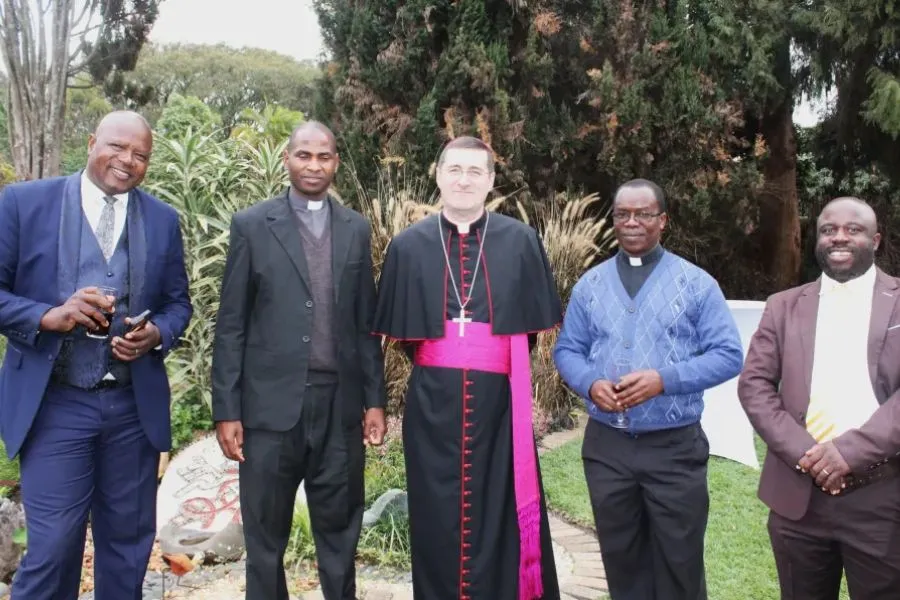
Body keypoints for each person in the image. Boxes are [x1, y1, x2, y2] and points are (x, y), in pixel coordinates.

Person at [0, 111, 193, 599]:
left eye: (141, 155)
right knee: (51, 548)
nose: (128, 161)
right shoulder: (24, 204)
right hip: (56, 403)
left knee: (128, 551)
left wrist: (157, 335)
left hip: (132, 409)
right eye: (118, 147)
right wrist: (50, 316)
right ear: (90, 142)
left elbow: (178, 305)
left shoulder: (164, 220)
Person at [373, 136, 563, 599]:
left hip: (500, 411)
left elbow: (530, 332)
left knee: (498, 512)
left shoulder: (520, 242)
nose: (463, 180)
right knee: (436, 516)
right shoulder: (408, 246)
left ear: (491, 182)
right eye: (454, 170)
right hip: (432, 407)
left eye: (475, 172)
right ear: (437, 176)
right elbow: (401, 338)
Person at [211, 121, 386, 600]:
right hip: (270, 410)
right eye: (304, 156)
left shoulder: (355, 228)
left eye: (324, 157)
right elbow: (231, 324)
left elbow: (365, 323)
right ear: (287, 159)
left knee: (339, 533)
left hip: (339, 408)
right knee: (265, 539)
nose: (314, 165)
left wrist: (374, 400)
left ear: (336, 163)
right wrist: (227, 409)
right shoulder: (252, 225)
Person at [553, 178, 743, 600]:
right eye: (623, 214)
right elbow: (568, 349)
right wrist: (589, 382)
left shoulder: (696, 284)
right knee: (623, 562)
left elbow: (728, 354)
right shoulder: (591, 286)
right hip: (607, 448)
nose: (632, 222)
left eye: (643, 214)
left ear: (663, 220)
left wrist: (664, 380)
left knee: (680, 562)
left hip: (673, 449)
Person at [738, 197, 900, 598]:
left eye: (853, 229)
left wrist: (849, 452)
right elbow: (754, 386)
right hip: (798, 499)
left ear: (875, 240)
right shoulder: (783, 307)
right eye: (829, 230)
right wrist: (808, 453)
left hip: (883, 496)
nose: (839, 237)